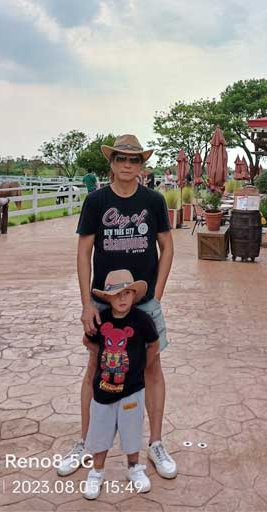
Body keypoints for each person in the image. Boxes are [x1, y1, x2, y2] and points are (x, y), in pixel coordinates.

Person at [57, 134, 177, 481]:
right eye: (121, 159)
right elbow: (84, 252)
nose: (128, 166)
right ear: (111, 163)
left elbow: (166, 246)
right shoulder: (96, 202)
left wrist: (157, 292)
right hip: (104, 302)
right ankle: (84, 442)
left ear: (142, 165)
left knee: (151, 368)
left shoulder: (153, 201)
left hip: (144, 302)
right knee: (96, 367)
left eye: (135, 160)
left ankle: (155, 443)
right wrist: (86, 304)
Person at [81, 269, 159, 500]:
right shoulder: (102, 320)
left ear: (133, 295)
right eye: (116, 294)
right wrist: (102, 354)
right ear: (107, 297)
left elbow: (153, 344)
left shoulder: (142, 321)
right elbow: (88, 340)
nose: (122, 298)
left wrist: (143, 364)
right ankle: (97, 471)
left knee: (132, 431)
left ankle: (134, 467)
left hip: (132, 390)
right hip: (103, 391)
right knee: (100, 431)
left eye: (127, 293)